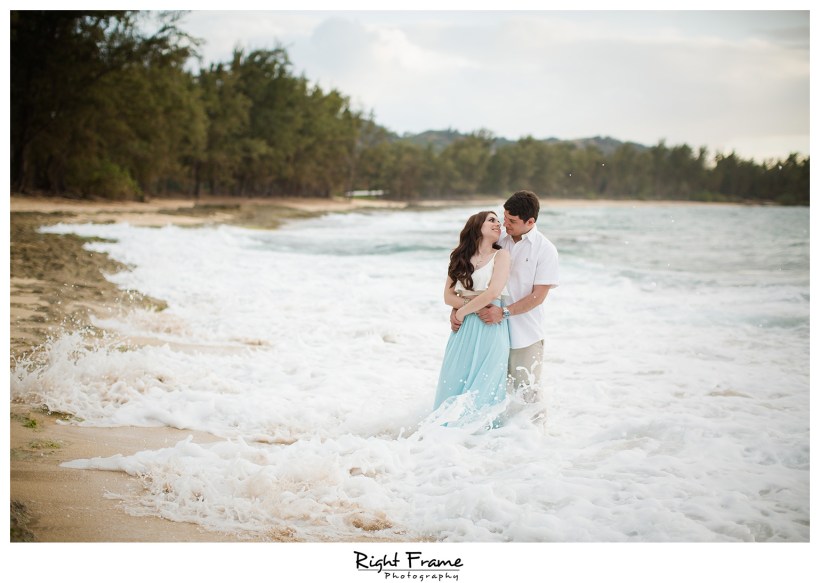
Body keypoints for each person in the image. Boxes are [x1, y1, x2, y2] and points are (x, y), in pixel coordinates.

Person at [451, 190, 560, 419]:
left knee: (528, 395)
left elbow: (538, 296)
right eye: (504, 217)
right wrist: (458, 308)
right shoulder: (499, 239)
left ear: (530, 222)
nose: (505, 224)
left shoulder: (545, 249)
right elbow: (474, 276)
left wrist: (504, 312)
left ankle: (534, 438)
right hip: (489, 331)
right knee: (493, 393)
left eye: (512, 221)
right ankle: (497, 437)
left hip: (524, 333)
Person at [433, 210, 511, 426]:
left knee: (485, 386)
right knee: (453, 382)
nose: (498, 224)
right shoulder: (459, 257)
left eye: (499, 221)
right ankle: (441, 435)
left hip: (490, 325)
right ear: (477, 226)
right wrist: (469, 309)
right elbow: (448, 297)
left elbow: (493, 293)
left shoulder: (501, 255)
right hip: (463, 329)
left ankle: (480, 439)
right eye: (492, 220)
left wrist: (462, 311)